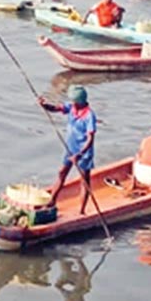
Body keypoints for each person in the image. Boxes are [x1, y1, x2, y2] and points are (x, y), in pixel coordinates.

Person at [39, 86, 97, 215]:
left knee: (84, 180)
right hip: (70, 148)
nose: (72, 103)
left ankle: (81, 211)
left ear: (80, 101)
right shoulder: (71, 108)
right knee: (62, 173)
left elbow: (90, 139)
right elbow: (56, 108)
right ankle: (52, 201)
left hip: (83, 152)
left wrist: (79, 154)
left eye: (74, 101)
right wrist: (45, 105)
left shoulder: (89, 116)